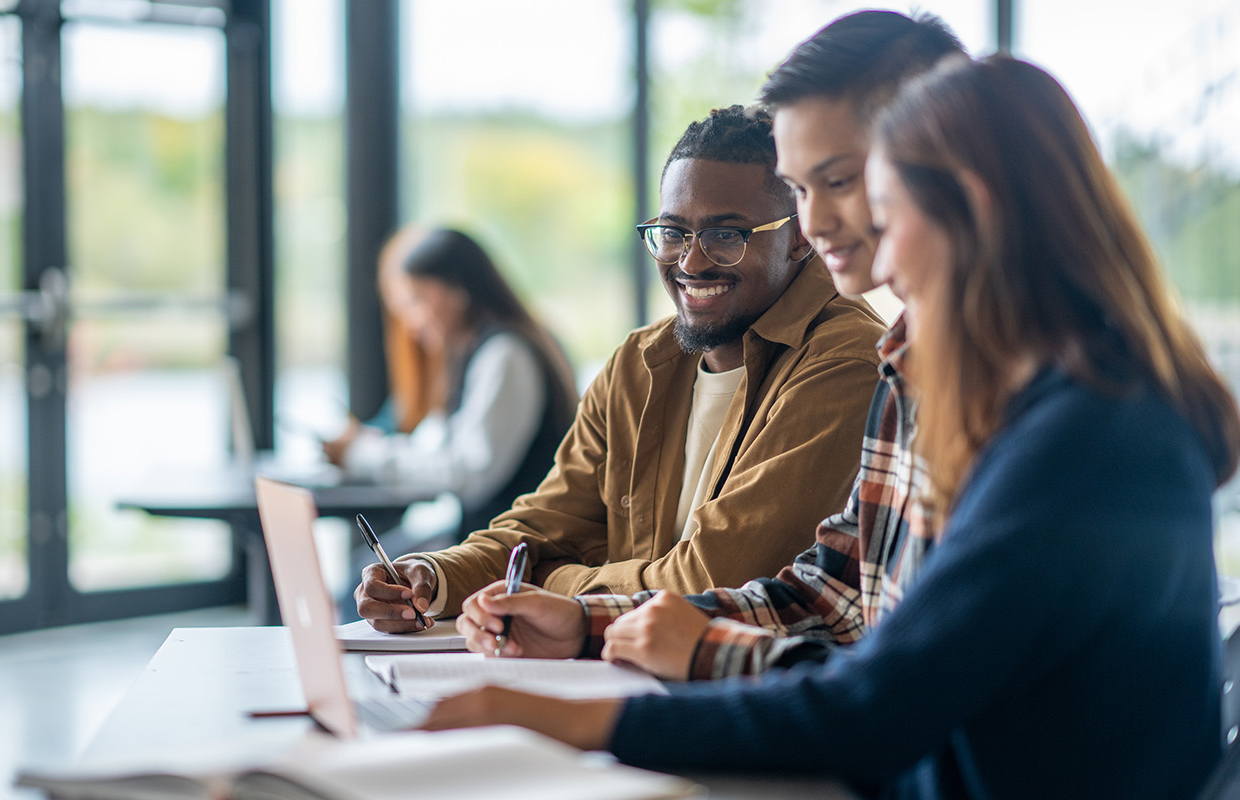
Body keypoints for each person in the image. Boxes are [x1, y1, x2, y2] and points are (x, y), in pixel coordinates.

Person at [422, 54, 1240, 800]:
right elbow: (836, 593)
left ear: (972, 211)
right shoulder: (987, 392)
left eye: (880, 210)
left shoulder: (1087, 437)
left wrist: (579, 719)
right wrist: (596, 624)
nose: (876, 263)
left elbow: (879, 705)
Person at [451, 9, 969, 681]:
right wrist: (584, 621)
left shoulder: (999, 390)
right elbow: (827, 599)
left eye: (841, 181)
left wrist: (573, 614)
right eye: (806, 188)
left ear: (948, 168)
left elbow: (898, 688)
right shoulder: (911, 369)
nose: (818, 221)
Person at [355, 105, 889, 632]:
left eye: (727, 235)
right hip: (620, 670)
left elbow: (709, 583)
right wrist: (433, 575)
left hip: (745, 692)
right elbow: (542, 526)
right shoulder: (641, 363)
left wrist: (547, 584)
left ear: (799, 235)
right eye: (674, 232)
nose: (690, 262)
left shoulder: (844, 362)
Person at [321, 226, 580, 534]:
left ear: (457, 291)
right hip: (494, 542)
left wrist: (363, 455)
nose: (411, 323)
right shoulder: (473, 354)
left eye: (418, 300)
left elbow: (471, 473)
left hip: (516, 552)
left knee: (366, 576)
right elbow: (438, 448)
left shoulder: (505, 355)